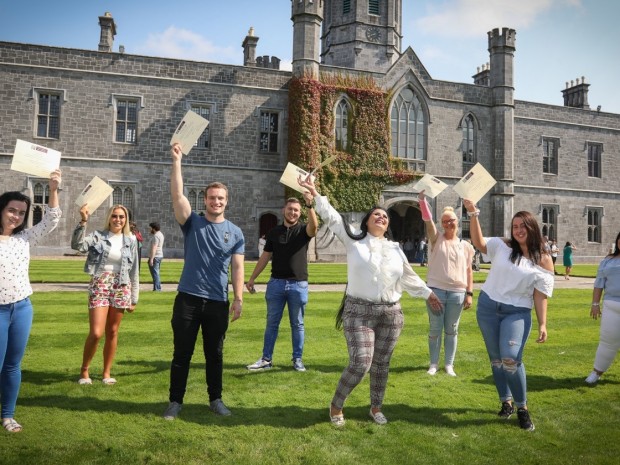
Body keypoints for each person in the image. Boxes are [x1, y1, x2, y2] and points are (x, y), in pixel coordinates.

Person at [298, 176, 442, 427]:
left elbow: (408, 276)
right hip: (359, 312)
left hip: (391, 314)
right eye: (376, 214)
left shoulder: (395, 249)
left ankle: (376, 407)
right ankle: (336, 405)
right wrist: (316, 193)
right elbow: (333, 217)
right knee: (361, 363)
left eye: (385, 216)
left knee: (381, 364)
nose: (381, 217)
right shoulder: (354, 240)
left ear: (388, 225)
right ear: (366, 221)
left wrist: (427, 293)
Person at [163, 142, 244, 420]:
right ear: (205, 200)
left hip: (218, 302)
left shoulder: (235, 233)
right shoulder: (192, 223)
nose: (216, 202)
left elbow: (237, 267)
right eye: (211, 198)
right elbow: (177, 196)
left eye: (220, 198)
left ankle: (215, 399)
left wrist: (238, 298)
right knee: (182, 354)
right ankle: (175, 402)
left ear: (226, 201)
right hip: (188, 299)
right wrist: (177, 161)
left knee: (215, 355)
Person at [464, 198, 554, 431]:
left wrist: (543, 324)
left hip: (516, 312)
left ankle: (522, 408)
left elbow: (540, 295)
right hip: (488, 308)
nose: (518, 230)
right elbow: (479, 243)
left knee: (510, 359)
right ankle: (506, 402)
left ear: (532, 228)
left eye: (523, 226)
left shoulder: (544, 259)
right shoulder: (503, 245)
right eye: (515, 226)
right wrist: (473, 213)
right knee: (496, 361)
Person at [0, 170, 62, 433]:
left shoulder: (24, 238)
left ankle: (8, 415)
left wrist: (53, 189)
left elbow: (51, 220)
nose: (16, 216)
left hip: (22, 308)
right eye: (11, 210)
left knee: (13, 365)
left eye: (21, 213)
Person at [246, 196, 318, 372]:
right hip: (276, 284)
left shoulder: (303, 230)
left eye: (296, 210)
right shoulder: (274, 232)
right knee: (271, 323)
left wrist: (309, 205)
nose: (293, 212)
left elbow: (314, 227)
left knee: (297, 324)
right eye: (290, 209)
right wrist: (252, 278)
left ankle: (297, 359)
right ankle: (266, 359)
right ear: (283, 210)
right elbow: (265, 257)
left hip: (298, 284)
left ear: (300, 213)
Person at [72, 203, 139, 386]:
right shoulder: (98, 236)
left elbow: (134, 271)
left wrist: (134, 298)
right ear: (109, 218)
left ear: (126, 220)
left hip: (121, 285)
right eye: (115, 216)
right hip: (101, 282)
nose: (118, 220)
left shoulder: (131, 240)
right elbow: (77, 245)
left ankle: (106, 372)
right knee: (96, 333)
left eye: (122, 217)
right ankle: (84, 369)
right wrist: (83, 221)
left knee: (113, 331)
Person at [418, 191, 474, 377]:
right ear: (441, 224)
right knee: (435, 328)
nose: (449, 223)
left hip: (457, 292)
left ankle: (449, 365)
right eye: (445, 221)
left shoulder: (465, 246)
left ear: (457, 222)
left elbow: (468, 271)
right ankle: (433, 364)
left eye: (451, 220)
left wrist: (469, 294)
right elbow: (428, 221)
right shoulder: (436, 239)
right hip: (436, 291)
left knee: (452, 330)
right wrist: (422, 201)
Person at [585, 231, 620, 384]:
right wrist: (595, 304)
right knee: (607, 342)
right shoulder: (607, 261)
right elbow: (599, 283)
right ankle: (597, 372)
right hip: (611, 306)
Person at [148, 222, 164, 291]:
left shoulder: (156, 236)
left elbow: (154, 247)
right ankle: (156, 288)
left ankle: (157, 289)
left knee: (155, 273)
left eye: (150, 228)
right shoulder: (160, 234)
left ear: (153, 228)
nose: (149, 229)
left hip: (156, 256)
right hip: (158, 256)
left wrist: (151, 259)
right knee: (156, 273)